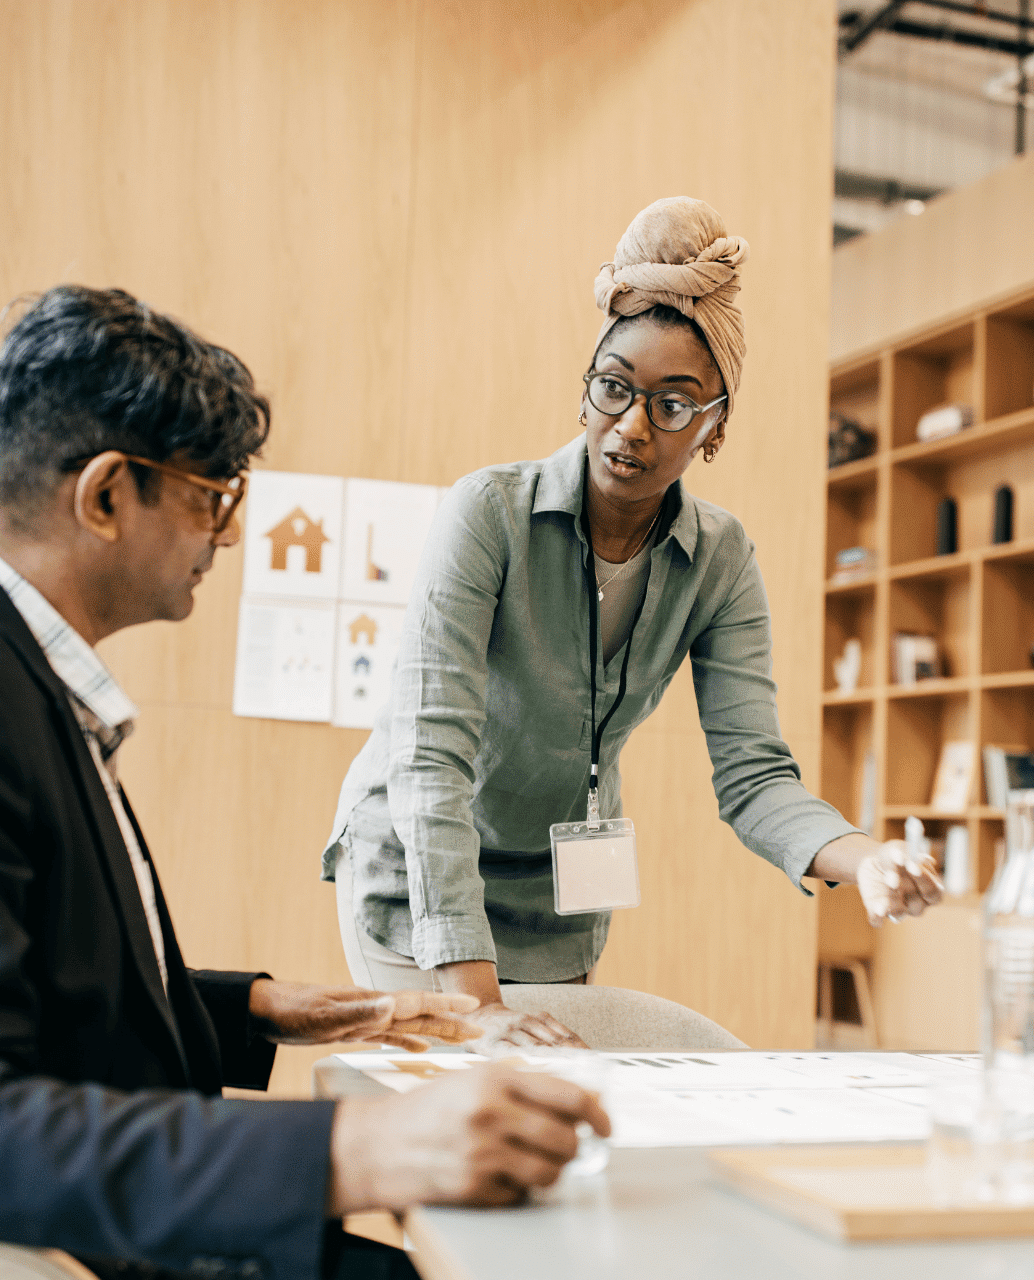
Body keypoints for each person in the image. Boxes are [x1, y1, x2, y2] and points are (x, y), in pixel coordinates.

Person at [0, 286, 610, 1280]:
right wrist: (361, 1144)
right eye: (214, 499)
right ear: (109, 494)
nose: (226, 538)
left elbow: (28, 985)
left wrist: (258, 1003)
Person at [323, 197, 940, 1048]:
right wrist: (479, 1013)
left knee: (551, 1104)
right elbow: (431, 762)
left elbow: (756, 776)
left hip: (555, 893)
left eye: (674, 405)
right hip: (419, 871)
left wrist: (863, 857)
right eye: (614, 389)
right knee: (470, 1090)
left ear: (714, 428)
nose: (632, 426)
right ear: (586, 389)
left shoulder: (719, 561)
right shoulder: (489, 516)